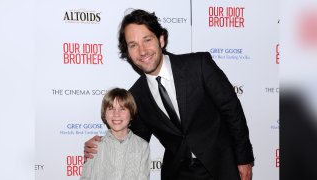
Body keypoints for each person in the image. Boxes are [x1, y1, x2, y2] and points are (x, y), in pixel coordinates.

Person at [84, 9, 254, 180]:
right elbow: (131, 140)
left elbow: (232, 110)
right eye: (133, 45)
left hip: (223, 166)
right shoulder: (136, 95)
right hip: (179, 173)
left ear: (161, 39)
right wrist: (100, 147)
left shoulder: (199, 65)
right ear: (128, 52)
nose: (142, 51)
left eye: (147, 40)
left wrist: (244, 159)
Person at [80, 88, 150, 180]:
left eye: (122, 109)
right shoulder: (94, 146)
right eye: (111, 108)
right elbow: (86, 177)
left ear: (131, 113)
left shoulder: (142, 146)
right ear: (104, 114)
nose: (116, 114)